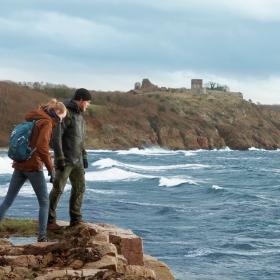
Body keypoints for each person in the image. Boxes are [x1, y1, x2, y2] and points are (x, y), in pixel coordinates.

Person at [0, 99, 67, 242]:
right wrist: (51, 169)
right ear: (57, 113)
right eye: (61, 118)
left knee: (7, 201)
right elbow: (42, 147)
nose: (61, 122)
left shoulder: (35, 118)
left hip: (20, 165)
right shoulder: (47, 123)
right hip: (33, 167)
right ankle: (42, 238)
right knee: (44, 202)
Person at [48, 88, 91, 229]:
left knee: (80, 188)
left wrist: (84, 156)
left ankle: (75, 219)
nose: (88, 105)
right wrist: (59, 157)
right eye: (87, 102)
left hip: (77, 160)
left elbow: (80, 140)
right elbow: (56, 137)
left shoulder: (80, 116)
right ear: (80, 100)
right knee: (58, 189)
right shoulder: (66, 114)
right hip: (65, 160)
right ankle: (49, 221)